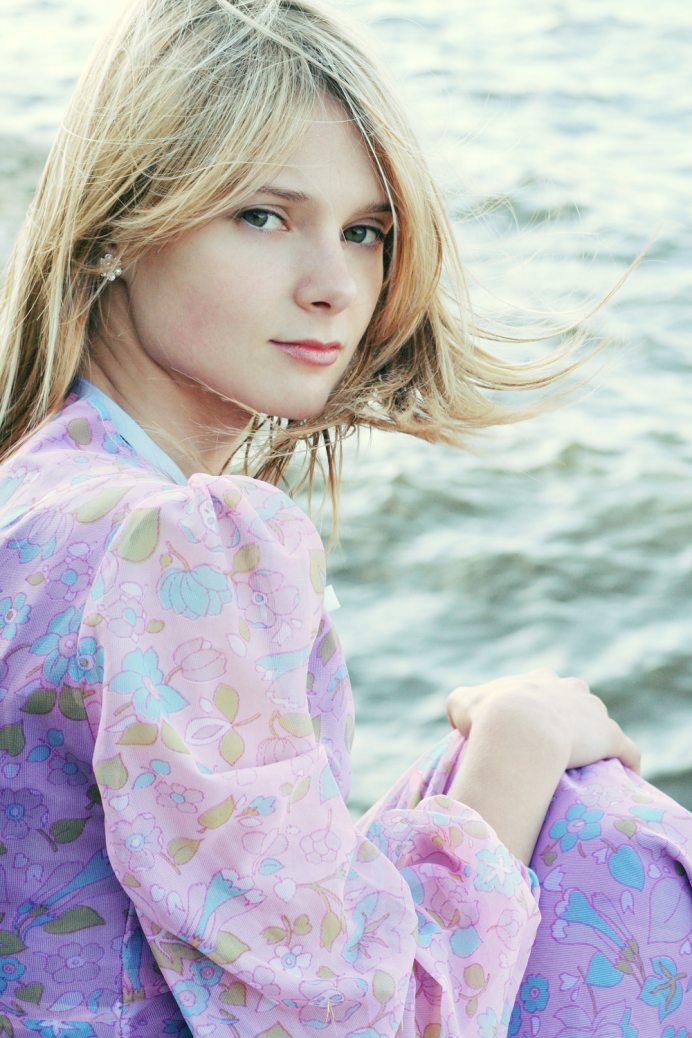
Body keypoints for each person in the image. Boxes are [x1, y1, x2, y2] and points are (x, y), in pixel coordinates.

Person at [0, 1, 690, 1035]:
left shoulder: (34, 493)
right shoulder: (170, 541)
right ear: (117, 226)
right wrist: (519, 737)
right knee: (600, 830)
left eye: (365, 233)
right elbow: (344, 1025)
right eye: (263, 216)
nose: (334, 287)